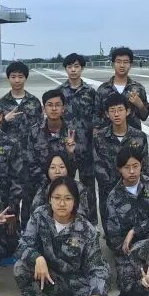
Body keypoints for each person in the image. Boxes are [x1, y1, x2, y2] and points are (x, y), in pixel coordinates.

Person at [15, 177, 109, 296]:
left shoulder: (86, 229)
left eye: (68, 198)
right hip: (48, 277)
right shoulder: (39, 216)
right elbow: (23, 245)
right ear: (49, 199)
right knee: (21, 268)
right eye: (57, 198)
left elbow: (97, 267)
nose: (62, 203)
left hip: (77, 283)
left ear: (75, 201)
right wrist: (37, 257)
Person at [29, 89, 89, 219]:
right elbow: (30, 162)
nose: (54, 108)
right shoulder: (34, 132)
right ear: (44, 109)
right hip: (41, 187)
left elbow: (81, 162)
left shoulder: (73, 132)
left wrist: (71, 154)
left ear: (63, 109)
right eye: (50, 105)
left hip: (67, 187)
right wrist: (49, 182)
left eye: (58, 105)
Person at [103, 147, 149, 256]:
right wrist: (127, 251)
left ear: (141, 165)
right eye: (126, 167)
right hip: (128, 248)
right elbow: (114, 235)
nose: (132, 171)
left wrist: (135, 230)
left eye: (135, 166)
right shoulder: (113, 197)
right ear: (119, 169)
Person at [93, 92, 149, 211]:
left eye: (120, 110)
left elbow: (144, 166)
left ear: (127, 111)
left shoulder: (139, 136)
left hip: (135, 193)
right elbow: (98, 167)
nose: (116, 114)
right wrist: (116, 187)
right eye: (112, 111)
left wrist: (130, 183)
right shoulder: (99, 138)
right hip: (109, 195)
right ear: (107, 114)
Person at [60, 53, 98, 219]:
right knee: (64, 186)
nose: (73, 70)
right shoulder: (59, 92)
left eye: (76, 66)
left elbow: (97, 117)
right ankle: (67, 218)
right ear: (66, 69)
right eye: (70, 66)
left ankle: (91, 221)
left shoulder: (91, 92)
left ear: (82, 68)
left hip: (87, 147)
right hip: (65, 148)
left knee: (88, 187)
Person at [93, 47, 149, 129]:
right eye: (118, 62)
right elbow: (96, 116)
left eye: (125, 62)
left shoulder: (138, 88)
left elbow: (144, 117)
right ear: (113, 64)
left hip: (133, 135)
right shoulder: (103, 89)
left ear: (130, 65)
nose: (122, 65)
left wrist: (140, 105)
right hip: (108, 135)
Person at [0, 61, 42, 148]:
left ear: (25, 78)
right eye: (13, 77)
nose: (17, 80)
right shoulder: (1, 103)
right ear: (8, 78)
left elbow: (41, 126)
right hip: (9, 150)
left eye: (20, 77)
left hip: (31, 150)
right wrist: (4, 120)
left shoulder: (34, 101)